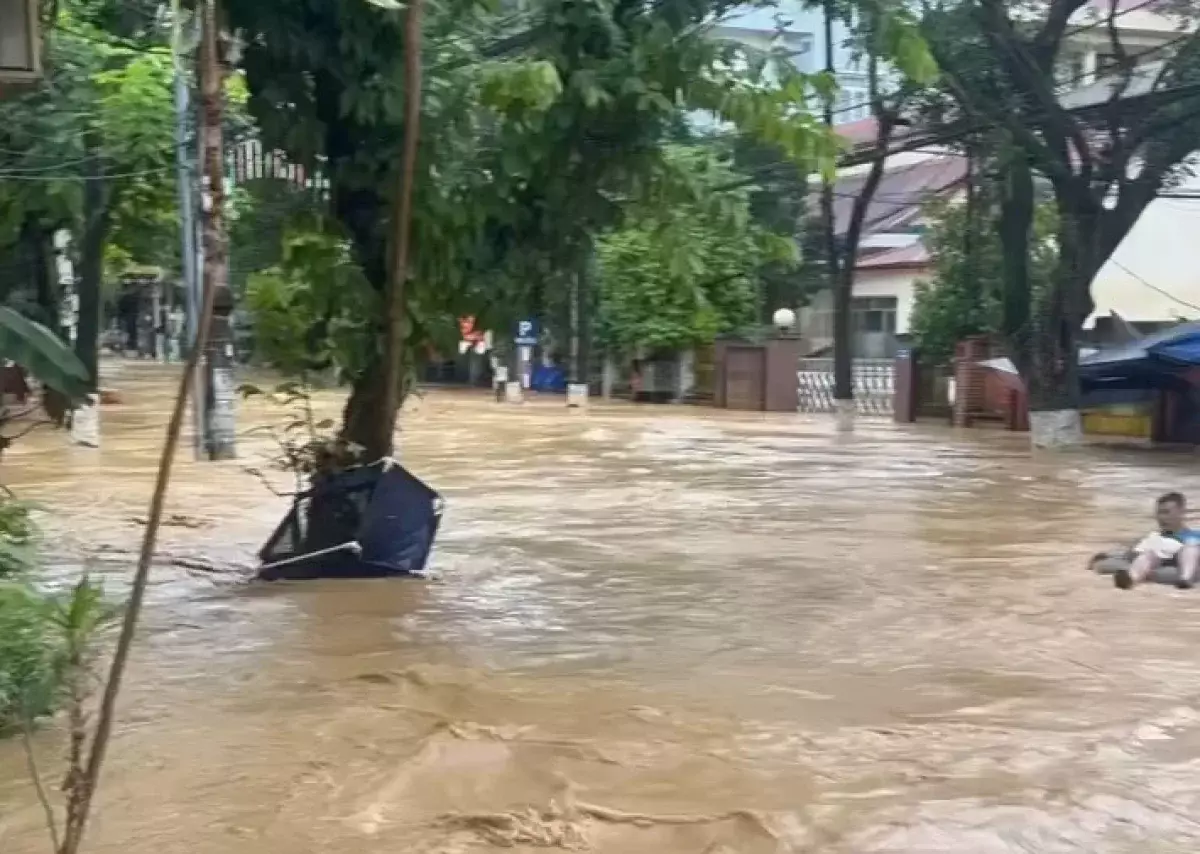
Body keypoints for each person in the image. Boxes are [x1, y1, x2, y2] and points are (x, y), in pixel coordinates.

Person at [1114, 492, 1200, 590]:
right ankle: (1131, 579)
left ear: (1181, 512)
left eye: (1166, 512)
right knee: (1148, 555)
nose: (1162, 517)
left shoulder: (1195, 535)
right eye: (1159, 513)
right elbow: (1130, 554)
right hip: (1160, 561)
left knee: (1191, 546)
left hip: (1186, 559)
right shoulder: (1153, 537)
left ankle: (1186, 579)